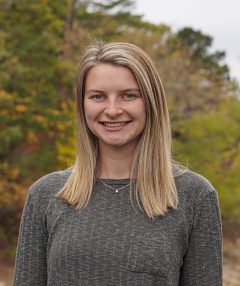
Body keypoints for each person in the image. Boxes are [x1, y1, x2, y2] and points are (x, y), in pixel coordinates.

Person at [13, 42, 222, 286]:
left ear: (152, 103)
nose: (112, 110)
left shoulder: (194, 196)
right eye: (98, 96)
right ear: (83, 105)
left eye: (129, 95)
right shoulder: (45, 194)